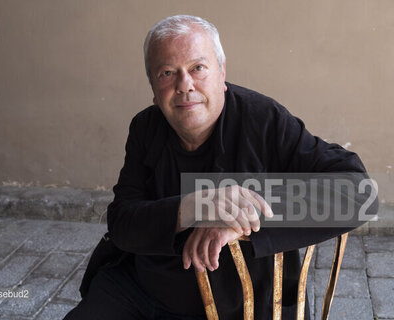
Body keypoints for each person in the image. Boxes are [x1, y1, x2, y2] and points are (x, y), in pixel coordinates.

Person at [63, 15, 376, 319]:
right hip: (140, 290)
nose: (185, 85)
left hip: (234, 304)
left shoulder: (262, 119)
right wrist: (194, 206)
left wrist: (237, 215)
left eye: (198, 68)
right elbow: (121, 223)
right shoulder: (145, 127)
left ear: (221, 73)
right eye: (167, 73)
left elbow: (358, 193)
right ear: (154, 89)